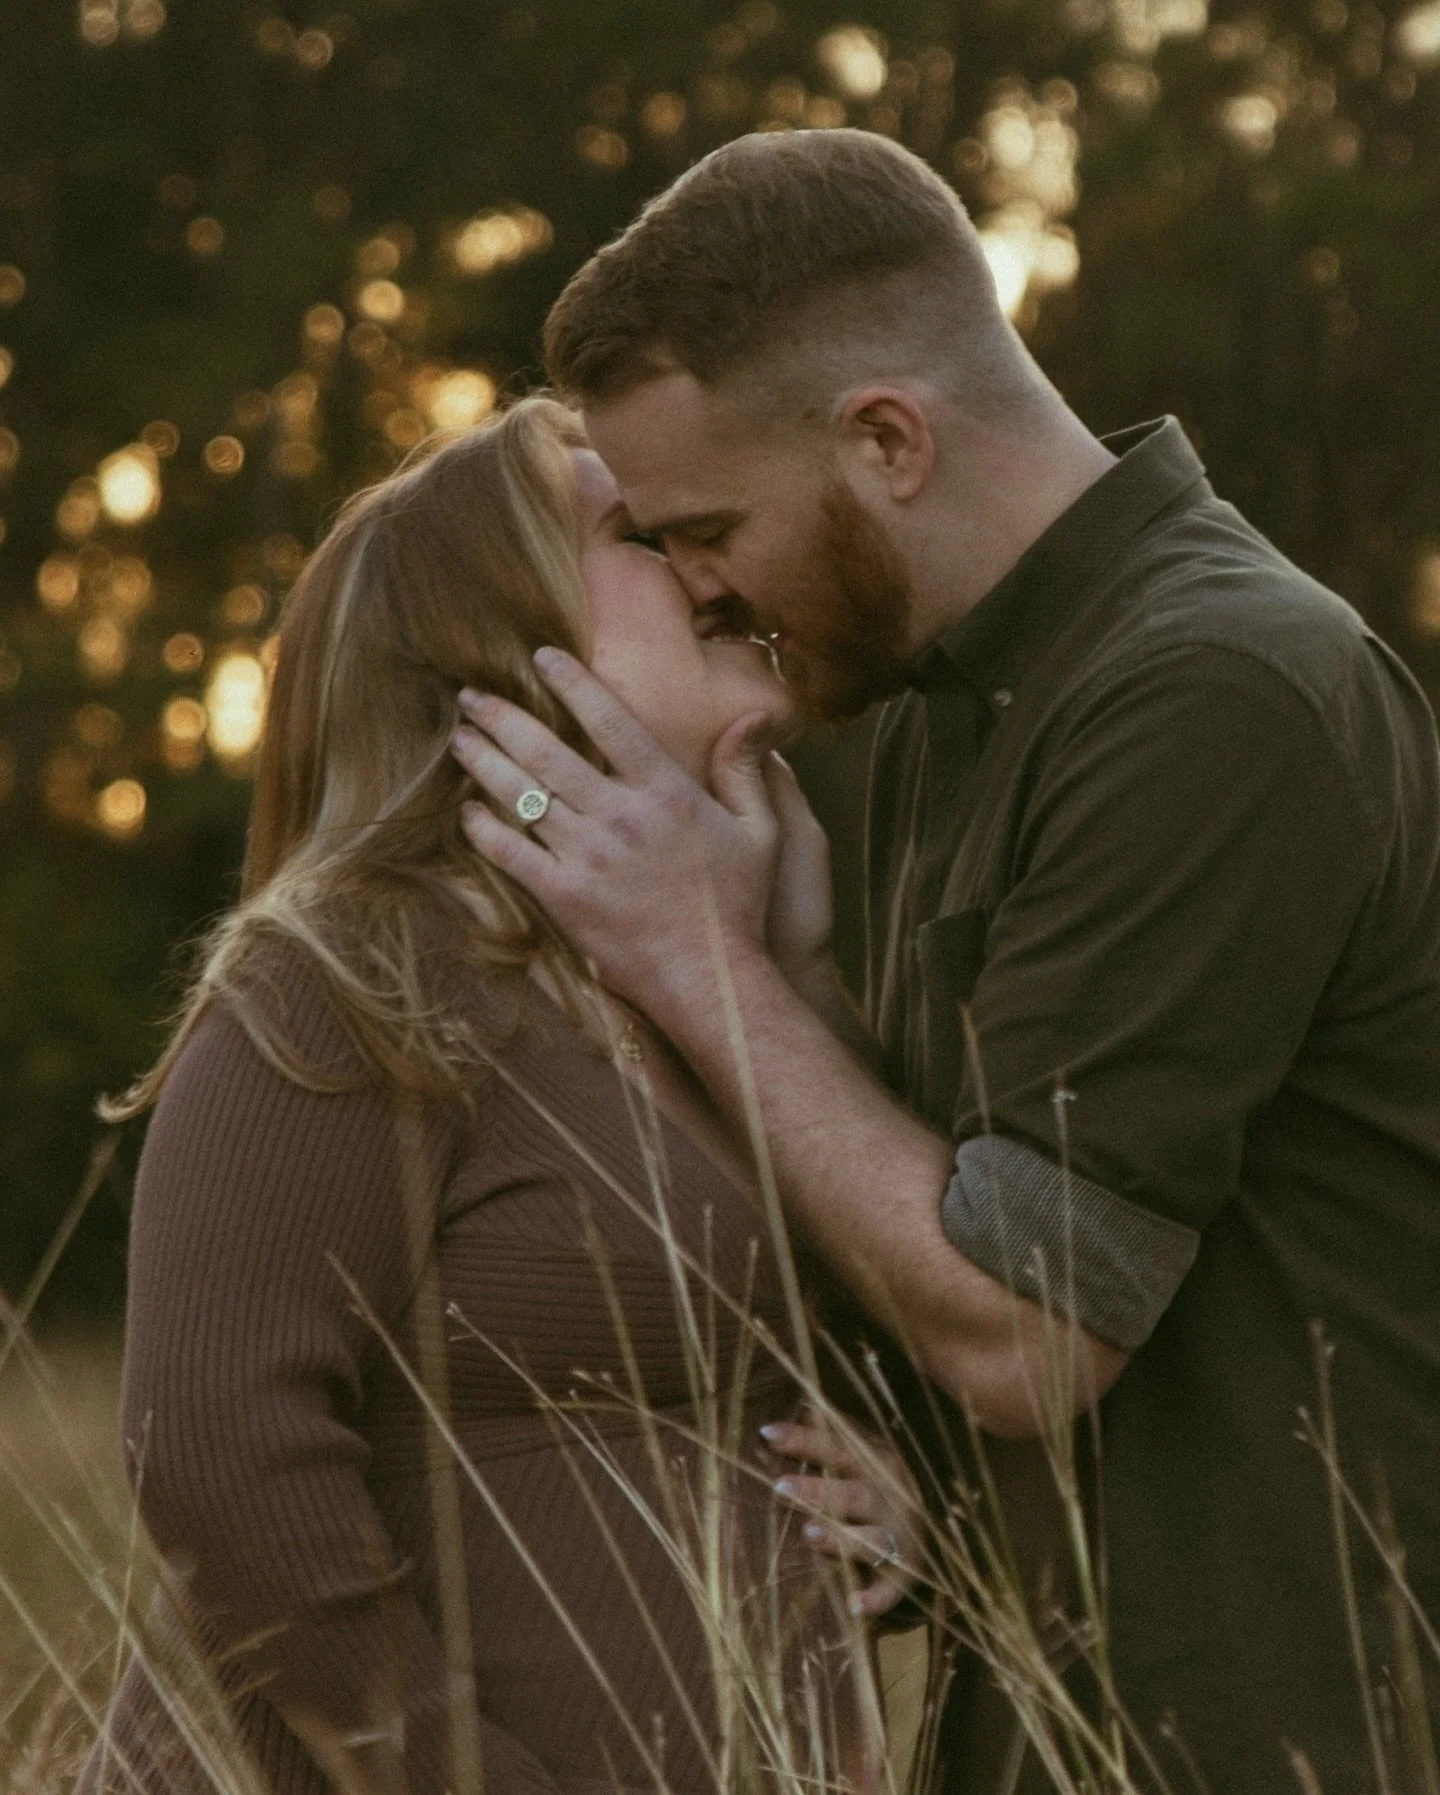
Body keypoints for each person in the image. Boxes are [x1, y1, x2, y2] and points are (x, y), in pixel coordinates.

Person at [449, 130, 1440, 1793]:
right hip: (1058, 1730)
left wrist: (701, 958)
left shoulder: (1218, 692)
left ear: (888, 439)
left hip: (1292, 1740)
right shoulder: (950, 702)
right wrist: (807, 973)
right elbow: (962, 1204)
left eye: (704, 530)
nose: (696, 589)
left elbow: (1027, 1332)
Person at [81, 398, 916, 1795]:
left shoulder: (695, 997)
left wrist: (900, 1493)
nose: (711, 565)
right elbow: (219, 1455)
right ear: (501, 643)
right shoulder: (349, 971)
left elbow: (865, 1349)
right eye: (636, 533)